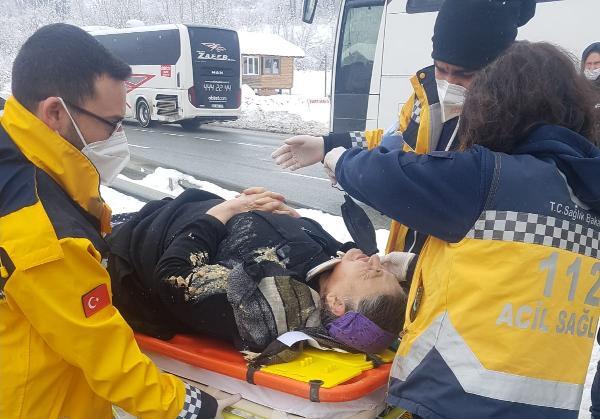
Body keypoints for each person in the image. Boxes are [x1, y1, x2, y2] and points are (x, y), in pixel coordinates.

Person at [322, 41, 600, 419]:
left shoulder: (490, 178)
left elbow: (386, 177)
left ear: (497, 106)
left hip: (458, 399)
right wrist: (417, 267)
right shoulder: (588, 197)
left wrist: (337, 157)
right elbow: (518, 277)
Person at [0, 23, 244, 418]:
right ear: (55, 112)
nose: (118, 136)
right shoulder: (45, 231)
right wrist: (193, 407)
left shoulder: (13, 159)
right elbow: (106, 357)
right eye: (111, 123)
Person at [272, 0, 536, 262]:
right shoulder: (426, 96)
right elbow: (394, 141)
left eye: (465, 74)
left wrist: (346, 165)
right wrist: (328, 144)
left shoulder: (518, 121)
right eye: (441, 68)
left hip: (453, 272)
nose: (449, 83)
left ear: (497, 67)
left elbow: (441, 192)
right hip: (412, 257)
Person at [106, 187, 412, 355]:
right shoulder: (330, 272)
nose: (374, 261)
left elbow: (173, 278)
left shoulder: (261, 303)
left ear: (335, 303)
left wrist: (227, 210)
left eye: (372, 273)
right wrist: (288, 219)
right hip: (174, 211)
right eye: (382, 268)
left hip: (133, 242)